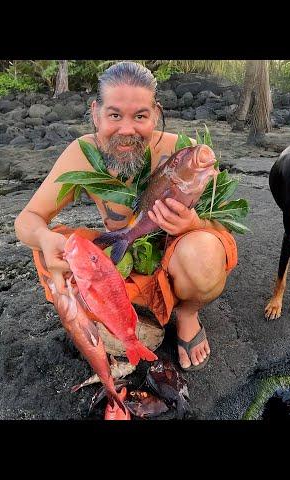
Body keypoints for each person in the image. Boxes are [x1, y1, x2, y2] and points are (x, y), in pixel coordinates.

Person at [14, 61, 238, 371]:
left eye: (141, 116)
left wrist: (194, 224)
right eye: (114, 115)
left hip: (176, 260)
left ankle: (186, 313)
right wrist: (44, 236)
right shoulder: (82, 154)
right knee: (58, 252)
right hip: (123, 258)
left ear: (155, 114)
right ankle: (131, 319)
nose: (127, 130)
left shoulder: (181, 153)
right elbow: (27, 220)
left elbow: (222, 226)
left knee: (205, 251)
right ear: (96, 113)